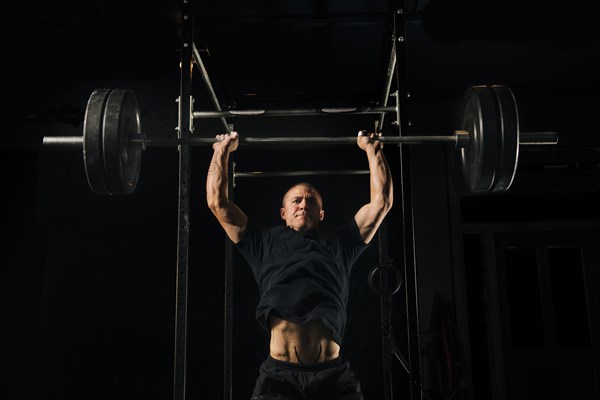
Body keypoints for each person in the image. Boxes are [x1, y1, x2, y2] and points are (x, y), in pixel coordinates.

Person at [206, 130, 393, 400]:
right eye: (296, 200)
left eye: (311, 201)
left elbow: (382, 203)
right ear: (283, 213)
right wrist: (221, 149)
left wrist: (372, 149)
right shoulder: (263, 242)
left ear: (322, 213)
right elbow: (217, 202)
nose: (303, 204)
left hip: (333, 376)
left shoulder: (342, 242)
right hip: (279, 378)